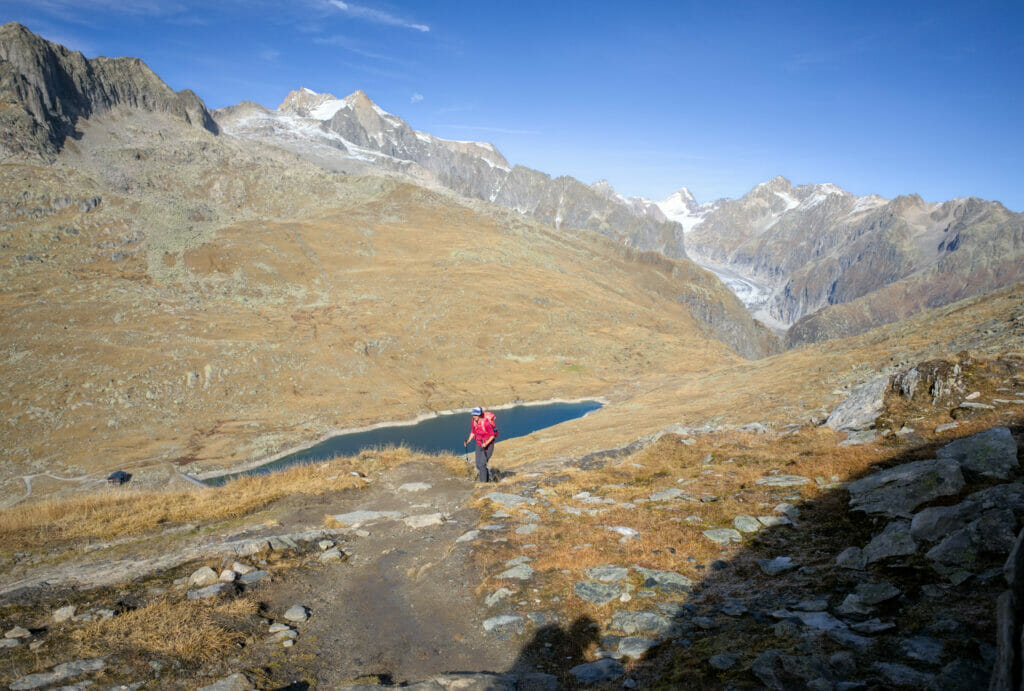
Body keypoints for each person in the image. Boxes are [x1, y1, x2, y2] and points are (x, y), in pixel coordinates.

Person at [464, 406, 496, 482]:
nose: (474, 416)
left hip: (488, 446)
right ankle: (487, 479)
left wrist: (486, 443)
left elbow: (492, 436)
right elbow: (473, 431)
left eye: (475, 415)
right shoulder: (474, 421)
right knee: (478, 464)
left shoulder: (486, 423)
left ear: (480, 415)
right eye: (473, 415)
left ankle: (483, 484)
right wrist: (468, 440)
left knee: (482, 464)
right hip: (479, 444)